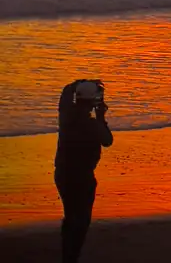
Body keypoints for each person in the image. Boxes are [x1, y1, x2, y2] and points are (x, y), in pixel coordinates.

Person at [55, 80, 113, 263]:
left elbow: (65, 93)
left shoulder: (66, 116)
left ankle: (67, 254)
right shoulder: (92, 125)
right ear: (92, 101)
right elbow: (107, 140)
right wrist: (101, 117)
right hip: (82, 177)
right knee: (81, 220)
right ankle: (71, 257)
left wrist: (78, 83)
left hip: (63, 174)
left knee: (71, 215)